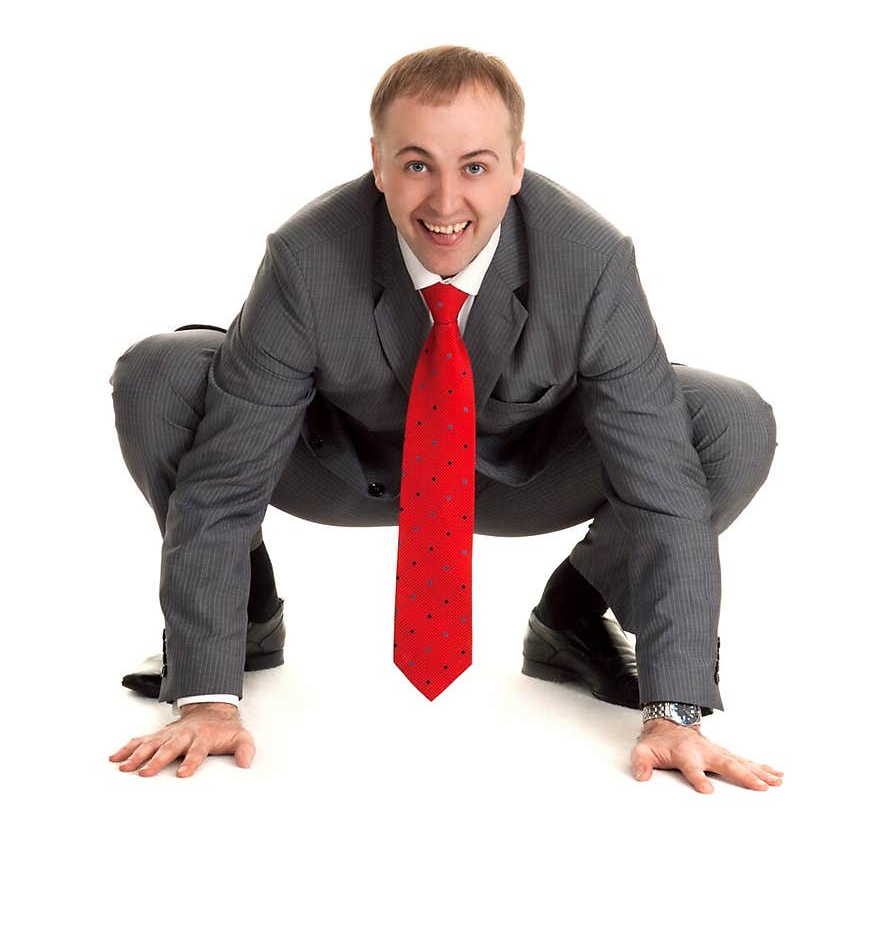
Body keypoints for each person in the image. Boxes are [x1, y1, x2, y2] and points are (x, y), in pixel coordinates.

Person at [108, 45, 783, 794]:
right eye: (418, 164)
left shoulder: (589, 260)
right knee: (159, 374)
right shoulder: (306, 256)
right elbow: (226, 477)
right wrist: (204, 698)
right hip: (343, 468)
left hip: (519, 476)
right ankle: (242, 618)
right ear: (378, 161)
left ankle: (574, 615)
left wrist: (675, 713)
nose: (446, 202)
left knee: (728, 421)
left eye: (475, 166)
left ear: (518, 166)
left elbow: (660, 482)